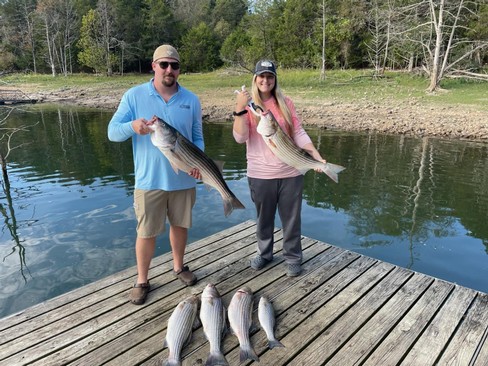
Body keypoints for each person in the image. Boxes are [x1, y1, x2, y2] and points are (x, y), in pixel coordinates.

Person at [108, 44, 203, 305]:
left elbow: (197, 138)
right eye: (164, 64)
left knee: (181, 226)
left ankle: (179, 267)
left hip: (184, 177)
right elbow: (112, 132)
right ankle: (142, 280)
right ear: (154, 66)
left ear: (179, 69)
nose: (169, 69)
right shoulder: (134, 95)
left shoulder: (191, 100)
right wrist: (132, 126)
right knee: (146, 231)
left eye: (174, 65)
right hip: (149, 180)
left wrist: (199, 164)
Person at [233, 59, 327, 277]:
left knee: (292, 219)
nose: (266, 80)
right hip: (260, 174)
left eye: (270, 76)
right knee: (264, 218)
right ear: (255, 79)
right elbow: (240, 138)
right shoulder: (248, 108)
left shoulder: (286, 103)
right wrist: (239, 109)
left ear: (275, 79)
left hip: (291, 172)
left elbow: (299, 132)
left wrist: (316, 155)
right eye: (261, 76)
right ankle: (264, 253)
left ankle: (293, 256)